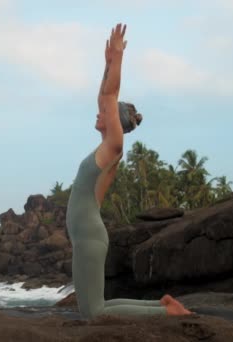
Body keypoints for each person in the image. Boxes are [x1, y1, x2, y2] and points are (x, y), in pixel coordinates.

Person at [65, 23, 192, 319]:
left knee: (94, 315)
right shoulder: (105, 150)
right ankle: (162, 306)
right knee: (92, 309)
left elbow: (108, 96)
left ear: (115, 121)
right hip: (86, 236)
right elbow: (104, 97)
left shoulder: (114, 144)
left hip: (90, 236)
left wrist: (117, 58)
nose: (99, 112)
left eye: (106, 113)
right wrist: (106, 64)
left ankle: (168, 314)